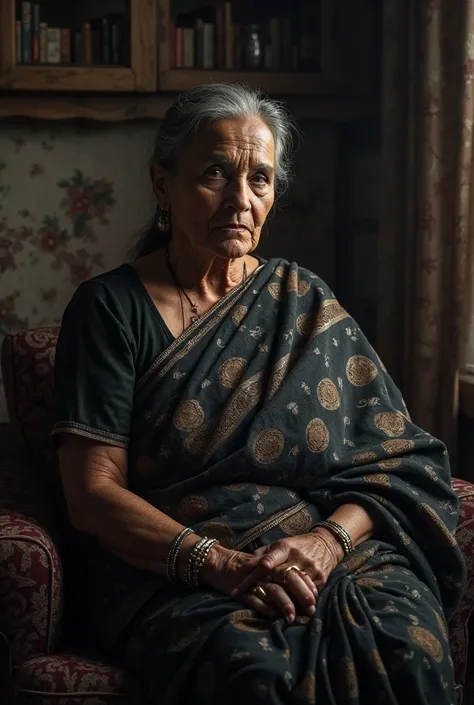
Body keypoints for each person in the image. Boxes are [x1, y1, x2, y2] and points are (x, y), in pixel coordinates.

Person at [53, 83, 465, 705]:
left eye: (261, 180)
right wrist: (221, 566)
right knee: (260, 677)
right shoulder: (111, 309)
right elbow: (91, 494)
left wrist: (328, 543)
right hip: (179, 572)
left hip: (321, 556)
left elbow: (398, 464)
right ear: (162, 184)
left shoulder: (302, 303)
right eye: (215, 174)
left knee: (407, 648)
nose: (240, 201)